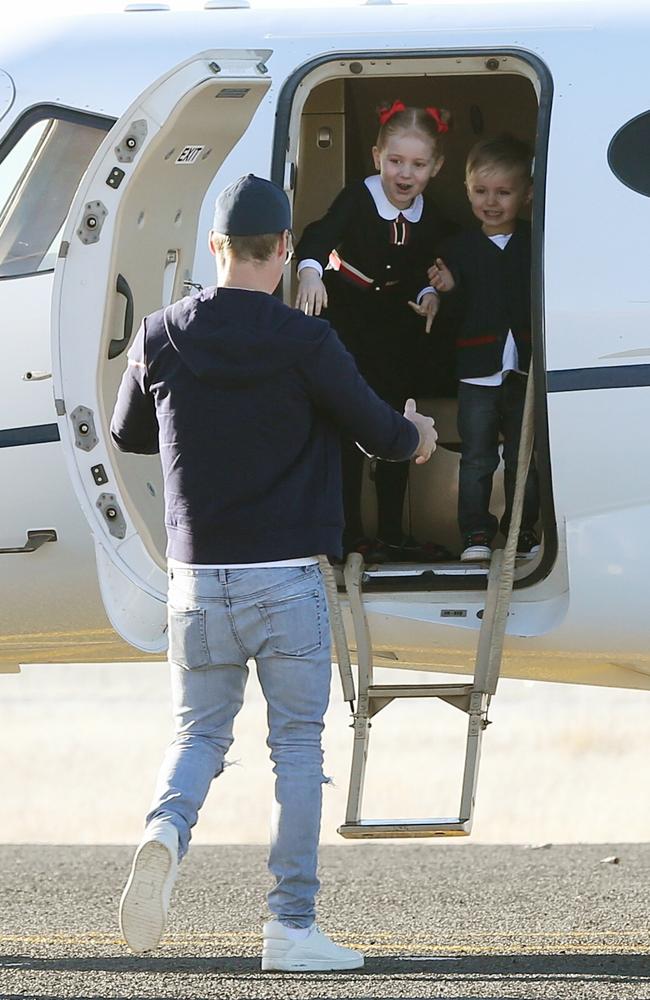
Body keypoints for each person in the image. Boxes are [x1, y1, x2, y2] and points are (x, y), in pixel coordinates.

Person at [110, 174, 437, 972]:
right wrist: (418, 433)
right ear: (286, 251)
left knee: (198, 735)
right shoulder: (308, 341)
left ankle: (165, 832)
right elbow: (382, 437)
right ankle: (290, 928)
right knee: (296, 751)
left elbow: (128, 434)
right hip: (286, 578)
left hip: (197, 581)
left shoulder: (159, 333)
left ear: (216, 249)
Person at [295, 100, 453, 564]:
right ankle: (349, 534)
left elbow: (434, 263)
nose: (405, 174)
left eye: (418, 164)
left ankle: (391, 531)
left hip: (396, 328)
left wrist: (431, 292)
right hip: (348, 318)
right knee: (346, 424)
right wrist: (309, 273)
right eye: (395, 161)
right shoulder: (357, 198)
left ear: (436, 167)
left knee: (397, 422)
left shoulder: (433, 215)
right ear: (375, 157)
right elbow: (317, 238)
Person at [427, 134, 540, 562]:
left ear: (527, 195)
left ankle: (521, 533)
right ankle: (475, 533)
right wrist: (448, 291)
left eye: (504, 192)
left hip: (526, 369)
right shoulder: (456, 249)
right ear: (466, 190)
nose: (490, 202)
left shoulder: (537, 244)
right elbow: (450, 321)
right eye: (480, 191)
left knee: (522, 457)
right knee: (476, 458)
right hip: (476, 370)